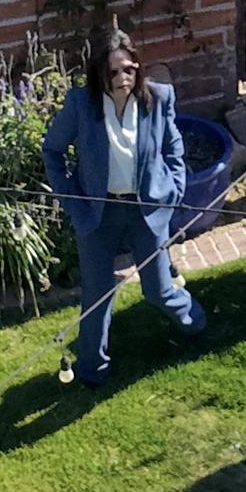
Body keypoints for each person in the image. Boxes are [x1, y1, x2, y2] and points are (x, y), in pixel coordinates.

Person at [41, 30, 207, 388]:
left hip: (147, 209)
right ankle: (92, 371)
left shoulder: (158, 98)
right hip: (98, 214)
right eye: (113, 72)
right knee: (97, 295)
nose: (122, 79)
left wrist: (174, 190)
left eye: (129, 69)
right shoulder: (81, 104)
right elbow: (52, 150)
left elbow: (173, 148)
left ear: (138, 69)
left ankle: (196, 324)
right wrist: (71, 199)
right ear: (99, 73)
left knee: (158, 290)